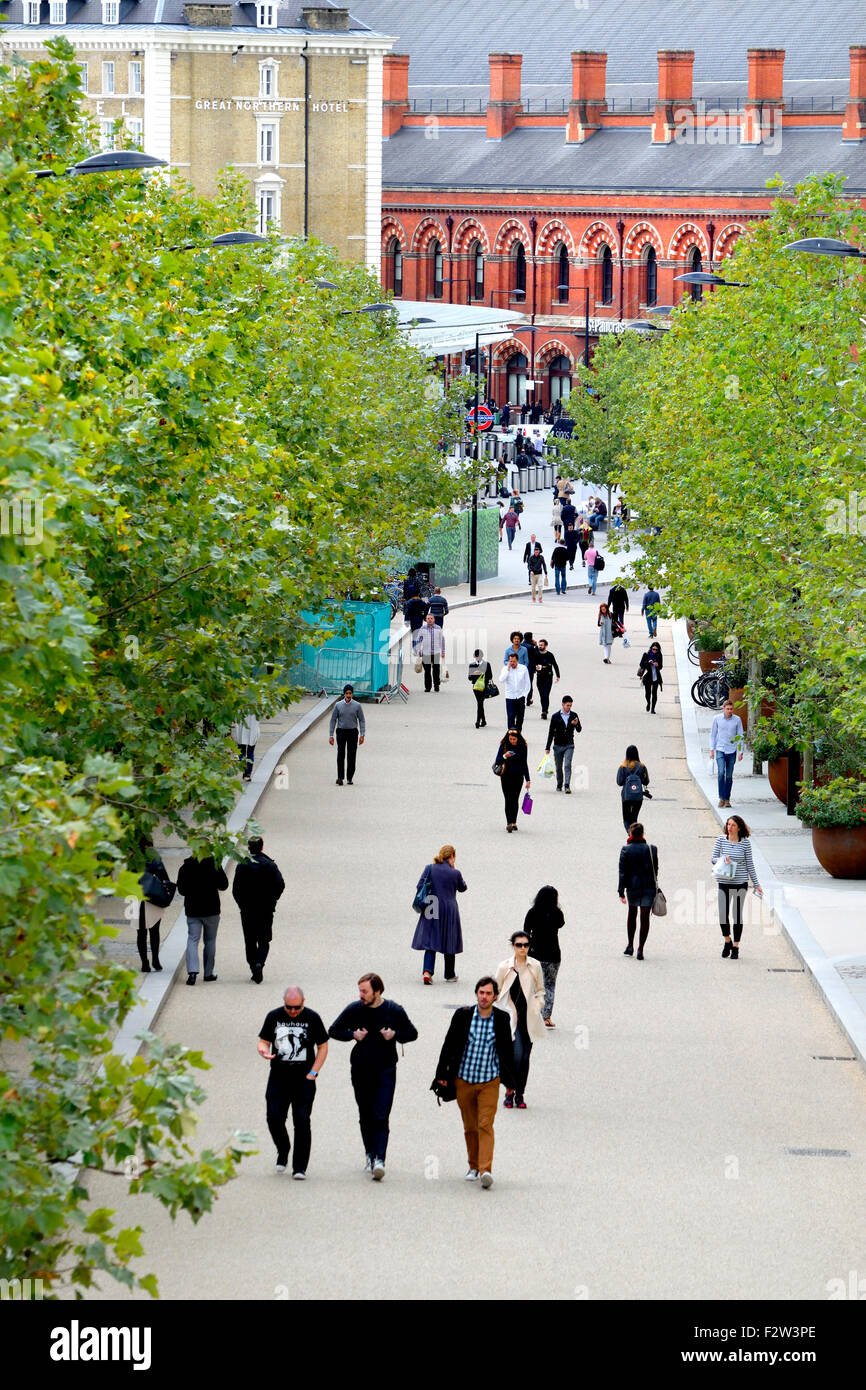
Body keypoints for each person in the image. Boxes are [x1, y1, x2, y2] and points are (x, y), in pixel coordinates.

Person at [328, 973, 418, 1180]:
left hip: (386, 1069)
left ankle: (380, 1159)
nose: (361, 995)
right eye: (359, 990)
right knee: (365, 1114)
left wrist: (395, 1035)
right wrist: (352, 1035)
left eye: (365, 991)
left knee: (381, 1114)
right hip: (360, 1068)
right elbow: (333, 1030)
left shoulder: (393, 1010)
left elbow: (412, 1033)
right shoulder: (354, 1009)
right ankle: (369, 1153)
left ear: (377, 992)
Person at [434, 976, 516, 1188]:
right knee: (470, 1126)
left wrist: (511, 1082)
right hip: (464, 1079)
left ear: (495, 997)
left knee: (485, 1124)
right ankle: (473, 1165)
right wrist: (441, 1075)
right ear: (476, 994)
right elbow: (449, 1045)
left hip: (489, 1080)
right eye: (481, 993)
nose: (484, 997)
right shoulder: (463, 1016)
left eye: (489, 993)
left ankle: (485, 1169)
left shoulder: (501, 1019)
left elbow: (507, 1052)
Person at [258, 985, 328, 1178]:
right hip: (278, 1078)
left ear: (303, 1002)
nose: (293, 1011)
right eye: (289, 1007)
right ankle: (283, 1148)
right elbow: (263, 1040)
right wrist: (263, 1050)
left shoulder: (312, 1018)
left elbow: (322, 1046)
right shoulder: (274, 1016)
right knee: (274, 1118)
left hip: (304, 1079)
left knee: (302, 1121)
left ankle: (299, 1167)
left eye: (296, 1007)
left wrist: (314, 1071)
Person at [495, 931, 545, 1108]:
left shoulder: (535, 966)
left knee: (525, 1058)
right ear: (513, 946)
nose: (522, 948)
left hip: (529, 1019)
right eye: (519, 945)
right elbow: (496, 992)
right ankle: (510, 1091)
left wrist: (538, 1005)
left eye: (526, 945)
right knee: (515, 1056)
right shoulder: (504, 967)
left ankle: (520, 1094)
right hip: (511, 1020)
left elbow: (540, 991)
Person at [232, 835, 286, 984]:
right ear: (262, 847)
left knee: (249, 940)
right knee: (264, 939)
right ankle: (259, 963)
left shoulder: (242, 865)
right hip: (265, 909)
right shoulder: (269, 865)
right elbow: (280, 885)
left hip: (247, 909)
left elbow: (236, 890)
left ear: (249, 848)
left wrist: (241, 904)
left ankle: (253, 965)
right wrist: (273, 899)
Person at [411, 843, 466, 984]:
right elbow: (462, 887)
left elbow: (419, 885)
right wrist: (454, 871)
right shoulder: (455, 873)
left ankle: (427, 972)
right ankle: (449, 974)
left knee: (431, 939)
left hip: (432, 905)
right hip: (449, 907)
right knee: (450, 938)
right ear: (452, 856)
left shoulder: (429, 868)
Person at [712, 815, 763, 959]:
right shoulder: (721, 840)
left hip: (740, 883)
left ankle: (735, 946)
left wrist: (757, 884)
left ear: (739, 828)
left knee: (737, 915)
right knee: (723, 914)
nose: (730, 827)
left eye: (733, 825)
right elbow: (713, 858)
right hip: (724, 881)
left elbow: (749, 864)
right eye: (728, 824)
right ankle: (727, 940)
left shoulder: (745, 843)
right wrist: (723, 859)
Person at [177, 852, 229, 985]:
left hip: (193, 909)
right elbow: (224, 885)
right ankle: (208, 973)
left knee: (193, 939)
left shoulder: (186, 866)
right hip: (211, 908)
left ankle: (192, 972)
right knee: (210, 940)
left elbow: (181, 890)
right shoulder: (215, 865)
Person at [523, 886, 565, 1028]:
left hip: (535, 954)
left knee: (535, 985)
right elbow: (561, 924)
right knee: (550, 985)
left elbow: (526, 932)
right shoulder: (557, 913)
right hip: (553, 954)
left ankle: (534, 1013)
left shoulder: (532, 912)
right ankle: (546, 1016)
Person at [618, 822, 658, 960]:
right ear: (643, 833)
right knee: (645, 917)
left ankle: (630, 945)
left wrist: (620, 891)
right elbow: (656, 870)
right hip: (648, 886)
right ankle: (641, 948)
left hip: (632, 887)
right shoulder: (652, 849)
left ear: (630, 833)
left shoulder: (626, 849)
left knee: (632, 913)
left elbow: (622, 872)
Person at [137, 839, 171, 974]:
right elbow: (165, 877)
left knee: (140, 932)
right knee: (154, 930)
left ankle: (144, 962)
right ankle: (155, 959)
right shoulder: (154, 858)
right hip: (153, 896)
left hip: (135, 896)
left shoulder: (133, 859)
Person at [710, 699, 746, 807]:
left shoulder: (737, 720)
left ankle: (727, 799)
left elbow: (740, 736)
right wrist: (712, 750)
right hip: (720, 749)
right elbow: (713, 735)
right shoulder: (717, 719)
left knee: (729, 776)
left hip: (732, 750)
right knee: (721, 773)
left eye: (731, 709)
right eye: (727, 709)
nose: (729, 711)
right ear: (723, 709)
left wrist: (741, 751)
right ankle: (721, 797)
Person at [494, 727, 530, 832]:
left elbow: (524, 763)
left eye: (514, 739)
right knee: (508, 799)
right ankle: (509, 822)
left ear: (518, 738)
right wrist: (505, 756)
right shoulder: (504, 745)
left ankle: (514, 821)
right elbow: (497, 761)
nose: (512, 741)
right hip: (506, 776)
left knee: (515, 799)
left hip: (518, 777)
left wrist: (528, 779)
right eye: (511, 739)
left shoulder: (523, 746)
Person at [328, 683, 365, 785]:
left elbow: (362, 720)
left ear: (352, 694)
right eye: (347, 693)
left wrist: (362, 734)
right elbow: (333, 720)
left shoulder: (357, 706)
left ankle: (349, 777)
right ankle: (340, 777)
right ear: (344, 694)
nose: (348, 695)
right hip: (341, 732)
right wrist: (331, 735)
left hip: (352, 732)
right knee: (340, 754)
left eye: (350, 693)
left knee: (351, 755)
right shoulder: (338, 705)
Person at [544, 695, 582, 792]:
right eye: (567, 705)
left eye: (570, 706)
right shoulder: (555, 716)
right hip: (557, 745)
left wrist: (576, 724)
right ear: (562, 704)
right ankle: (559, 783)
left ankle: (567, 785)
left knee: (567, 764)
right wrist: (547, 747)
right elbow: (551, 732)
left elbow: (579, 730)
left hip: (569, 744)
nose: (569, 707)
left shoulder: (574, 715)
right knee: (558, 767)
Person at [616, 744, 651, 832]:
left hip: (626, 796)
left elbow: (619, 782)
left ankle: (630, 833)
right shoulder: (642, 766)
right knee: (634, 818)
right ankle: (635, 834)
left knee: (626, 819)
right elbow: (646, 781)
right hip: (638, 796)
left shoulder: (623, 767)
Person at [499, 653, 531, 733]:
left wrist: (524, 695)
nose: (512, 663)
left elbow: (527, 683)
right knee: (511, 716)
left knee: (520, 717)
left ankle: (518, 733)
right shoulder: (505, 669)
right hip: (510, 696)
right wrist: (508, 669)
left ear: (517, 660)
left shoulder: (523, 668)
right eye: (510, 661)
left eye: (513, 661)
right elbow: (501, 680)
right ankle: (511, 734)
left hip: (520, 696)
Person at [533, 638, 560, 718]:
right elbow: (533, 664)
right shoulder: (536, 654)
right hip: (539, 677)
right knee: (542, 695)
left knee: (546, 694)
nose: (540, 646)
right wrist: (535, 668)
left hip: (548, 677)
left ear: (546, 646)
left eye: (542, 645)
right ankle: (544, 709)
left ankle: (544, 711)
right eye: (539, 645)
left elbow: (555, 665)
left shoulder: (550, 655)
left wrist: (558, 675)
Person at [419, 612, 445, 692]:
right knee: (427, 671)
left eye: (431, 618)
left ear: (434, 619)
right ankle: (428, 687)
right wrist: (419, 650)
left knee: (436, 670)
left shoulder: (438, 628)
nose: (430, 620)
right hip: (426, 653)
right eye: (428, 619)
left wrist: (443, 651)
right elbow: (419, 640)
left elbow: (442, 640)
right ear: (426, 620)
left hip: (436, 652)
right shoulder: (422, 629)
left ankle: (436, 686)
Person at [468, 648, 493, 728]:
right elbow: (469, 678)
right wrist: (474, 674)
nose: (478, 657)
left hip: (484, 687)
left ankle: (478, 721)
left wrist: (482, 674)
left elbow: (490, 676)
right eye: (476, 656)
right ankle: (483, 720)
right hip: (475, 687)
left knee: (480, 703)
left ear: (482, 656)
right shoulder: (472, 665)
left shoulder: (487, 664)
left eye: (479, 655)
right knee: (480, 703)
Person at [232, 714, 260, 782]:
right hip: (252, 730)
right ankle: (247, 774)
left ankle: (245, 771)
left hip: (242, 730)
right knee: (250, 752)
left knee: (242, 752)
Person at [637, 641, 664, 713]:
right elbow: (641, 664)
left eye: (656, 649)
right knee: (647, 693)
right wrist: (648, 662)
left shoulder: (659, 655)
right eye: (653, 649)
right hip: (648, 676)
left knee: (654, 693)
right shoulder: (646, 654)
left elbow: (661, 666)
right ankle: (648, 703)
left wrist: (658, 665)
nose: (654, 651)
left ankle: (653, 708)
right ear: (651, 649)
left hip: (656, 677)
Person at [522, 630, 538, 706]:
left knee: (521, 683)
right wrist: (536, 646)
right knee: (529, 684)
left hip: (521, 667)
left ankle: (521, 698)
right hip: (530, 668)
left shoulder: (520, 645)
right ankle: (528, 699)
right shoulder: (531, 647)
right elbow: (536, 656)